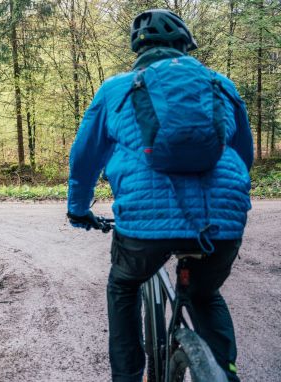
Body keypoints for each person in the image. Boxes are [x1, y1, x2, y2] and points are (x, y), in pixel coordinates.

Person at [66, 9, 253, 382]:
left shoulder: (116, 89)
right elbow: (243, 156)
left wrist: (78, 208)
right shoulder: (222, 86)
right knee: (204, 293)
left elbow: (85, 158)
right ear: (185, 46)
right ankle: (224, 373)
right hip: (220, 221)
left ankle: (127, 376)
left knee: (124, 284)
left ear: (139, 50)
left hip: (143, 223)